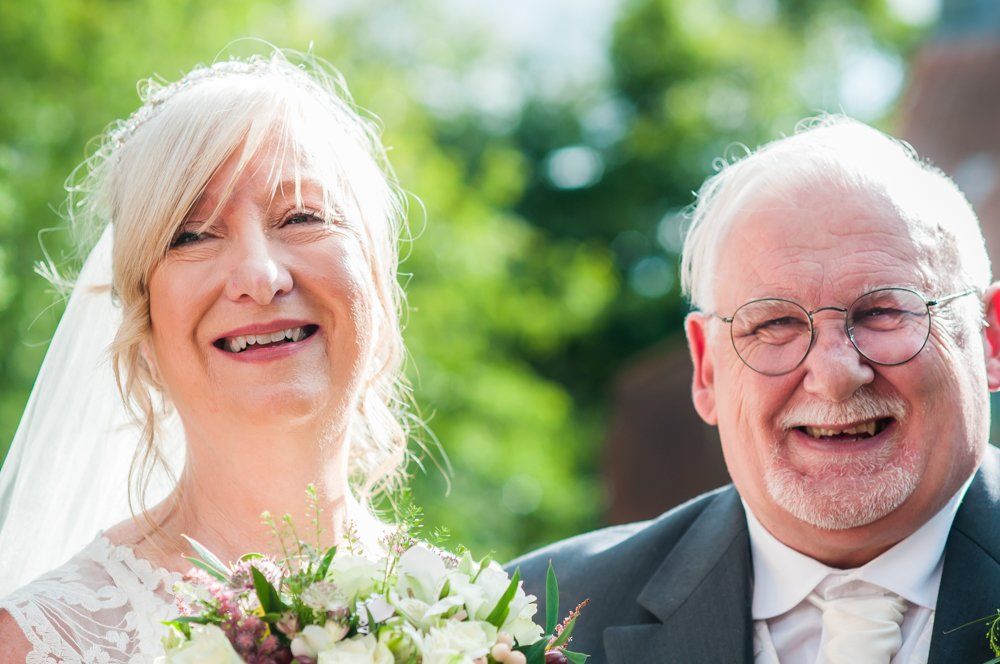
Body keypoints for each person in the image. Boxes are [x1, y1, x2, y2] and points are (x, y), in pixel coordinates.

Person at [511, 116, 1000, 663]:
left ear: (990, 338)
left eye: (884, 311)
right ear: (707, 369)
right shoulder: (522, 624)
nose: (836, 375)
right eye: (775, 324)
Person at [0, 50, 415, 661]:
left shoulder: (475, 617)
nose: (259, 274)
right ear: (141, 315)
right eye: (192, 234)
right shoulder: (40, 643)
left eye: (302, 216)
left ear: (377, 279)